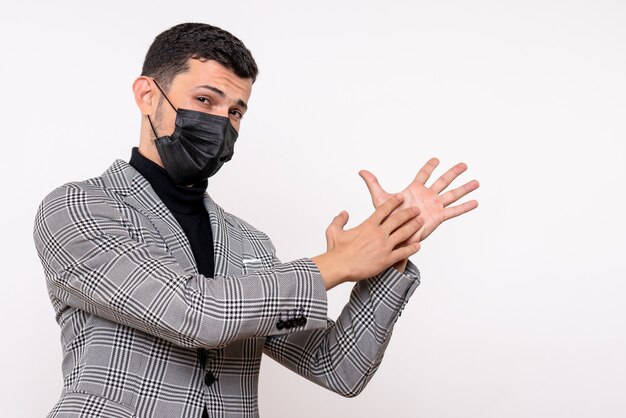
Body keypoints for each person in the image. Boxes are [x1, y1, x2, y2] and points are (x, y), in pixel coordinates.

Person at [33, 22, 479, 418]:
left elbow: (339, 368)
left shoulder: (249, 244)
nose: (222, 123)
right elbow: (196, 313)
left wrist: (391, 246)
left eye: (235, 111)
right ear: (147, 95)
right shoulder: (79, 208)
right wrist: (338, 263)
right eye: (205, 99)